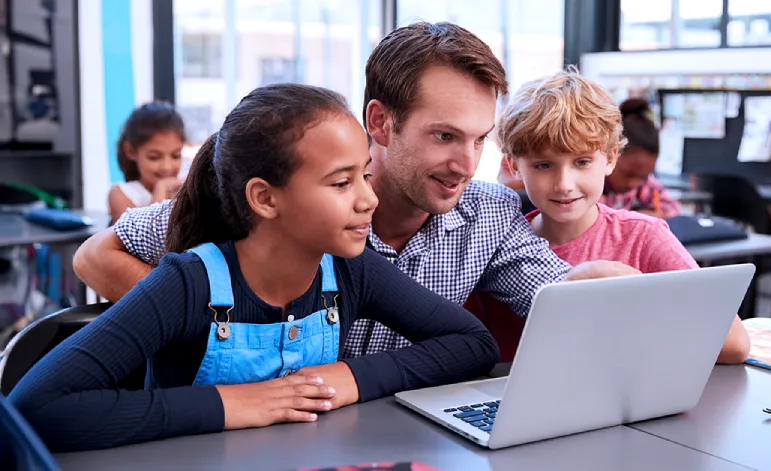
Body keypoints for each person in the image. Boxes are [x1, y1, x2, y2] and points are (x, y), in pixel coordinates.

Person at [73, 22, 630, 359]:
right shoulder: (289, 202)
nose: (466, 164)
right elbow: (96, 254)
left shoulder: (491, 214)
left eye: (479, 139)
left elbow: (553, 295)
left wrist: (616, 286)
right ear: (381, 123)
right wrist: (199, 326)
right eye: (443, 136)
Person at [9, 84, 498, 452]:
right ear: (265, 198)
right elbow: (35, 407)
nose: (368, 199)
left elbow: (472, 345)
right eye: (341, 183)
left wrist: (350, 378)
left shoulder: (352, 271)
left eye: (363, 175)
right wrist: (233, 403)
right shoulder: (186, 284)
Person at [481, 69, 750, 364]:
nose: (564, 184)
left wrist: (644, 299)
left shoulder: (643, 237)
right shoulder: (494, 242)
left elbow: (735, 345)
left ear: (610, 159)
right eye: (544, 165)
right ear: (514, 167)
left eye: (582, 162)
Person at [108, 102, 186, 224]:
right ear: (130, 151)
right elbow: (148, 239)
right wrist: (161, 191)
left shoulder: (183, 188)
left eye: (175, 156)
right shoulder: (121, 194)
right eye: (154, 157)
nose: (167, 167)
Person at [601, 98, 679, 219]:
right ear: (610, 155)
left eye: (643, 176)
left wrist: (653, 215)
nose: (633, 184)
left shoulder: (644, 185)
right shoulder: (591, 187)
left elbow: (672, 208)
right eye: (628, 174)